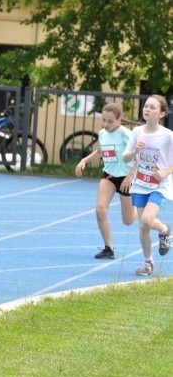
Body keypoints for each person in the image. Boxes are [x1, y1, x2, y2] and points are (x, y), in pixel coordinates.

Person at [74, 102, 138, 259]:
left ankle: (138, 205)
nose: (106, 124)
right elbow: (100, 152)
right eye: (103, 120)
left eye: (110, 121)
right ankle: (109, 248)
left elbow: (139, 157)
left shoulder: (126, 135)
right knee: (100, 210)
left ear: (119, 120)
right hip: (109, 175)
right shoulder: (102, 133)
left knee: (128, 221)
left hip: (125, 178)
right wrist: (84, 160)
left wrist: (130, 176)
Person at [122, 94, 173, 276]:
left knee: (145, 220)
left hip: (160, 184)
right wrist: (136, 150)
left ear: (161, 113)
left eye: (152, 107)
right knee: (143, 226)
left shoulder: (167, 136)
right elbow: (126, 157)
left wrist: (166, 171)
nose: (147, 109)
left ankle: (164, 230)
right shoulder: (137, 132)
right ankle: (148, 262)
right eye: (146, 106)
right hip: (141, 182)